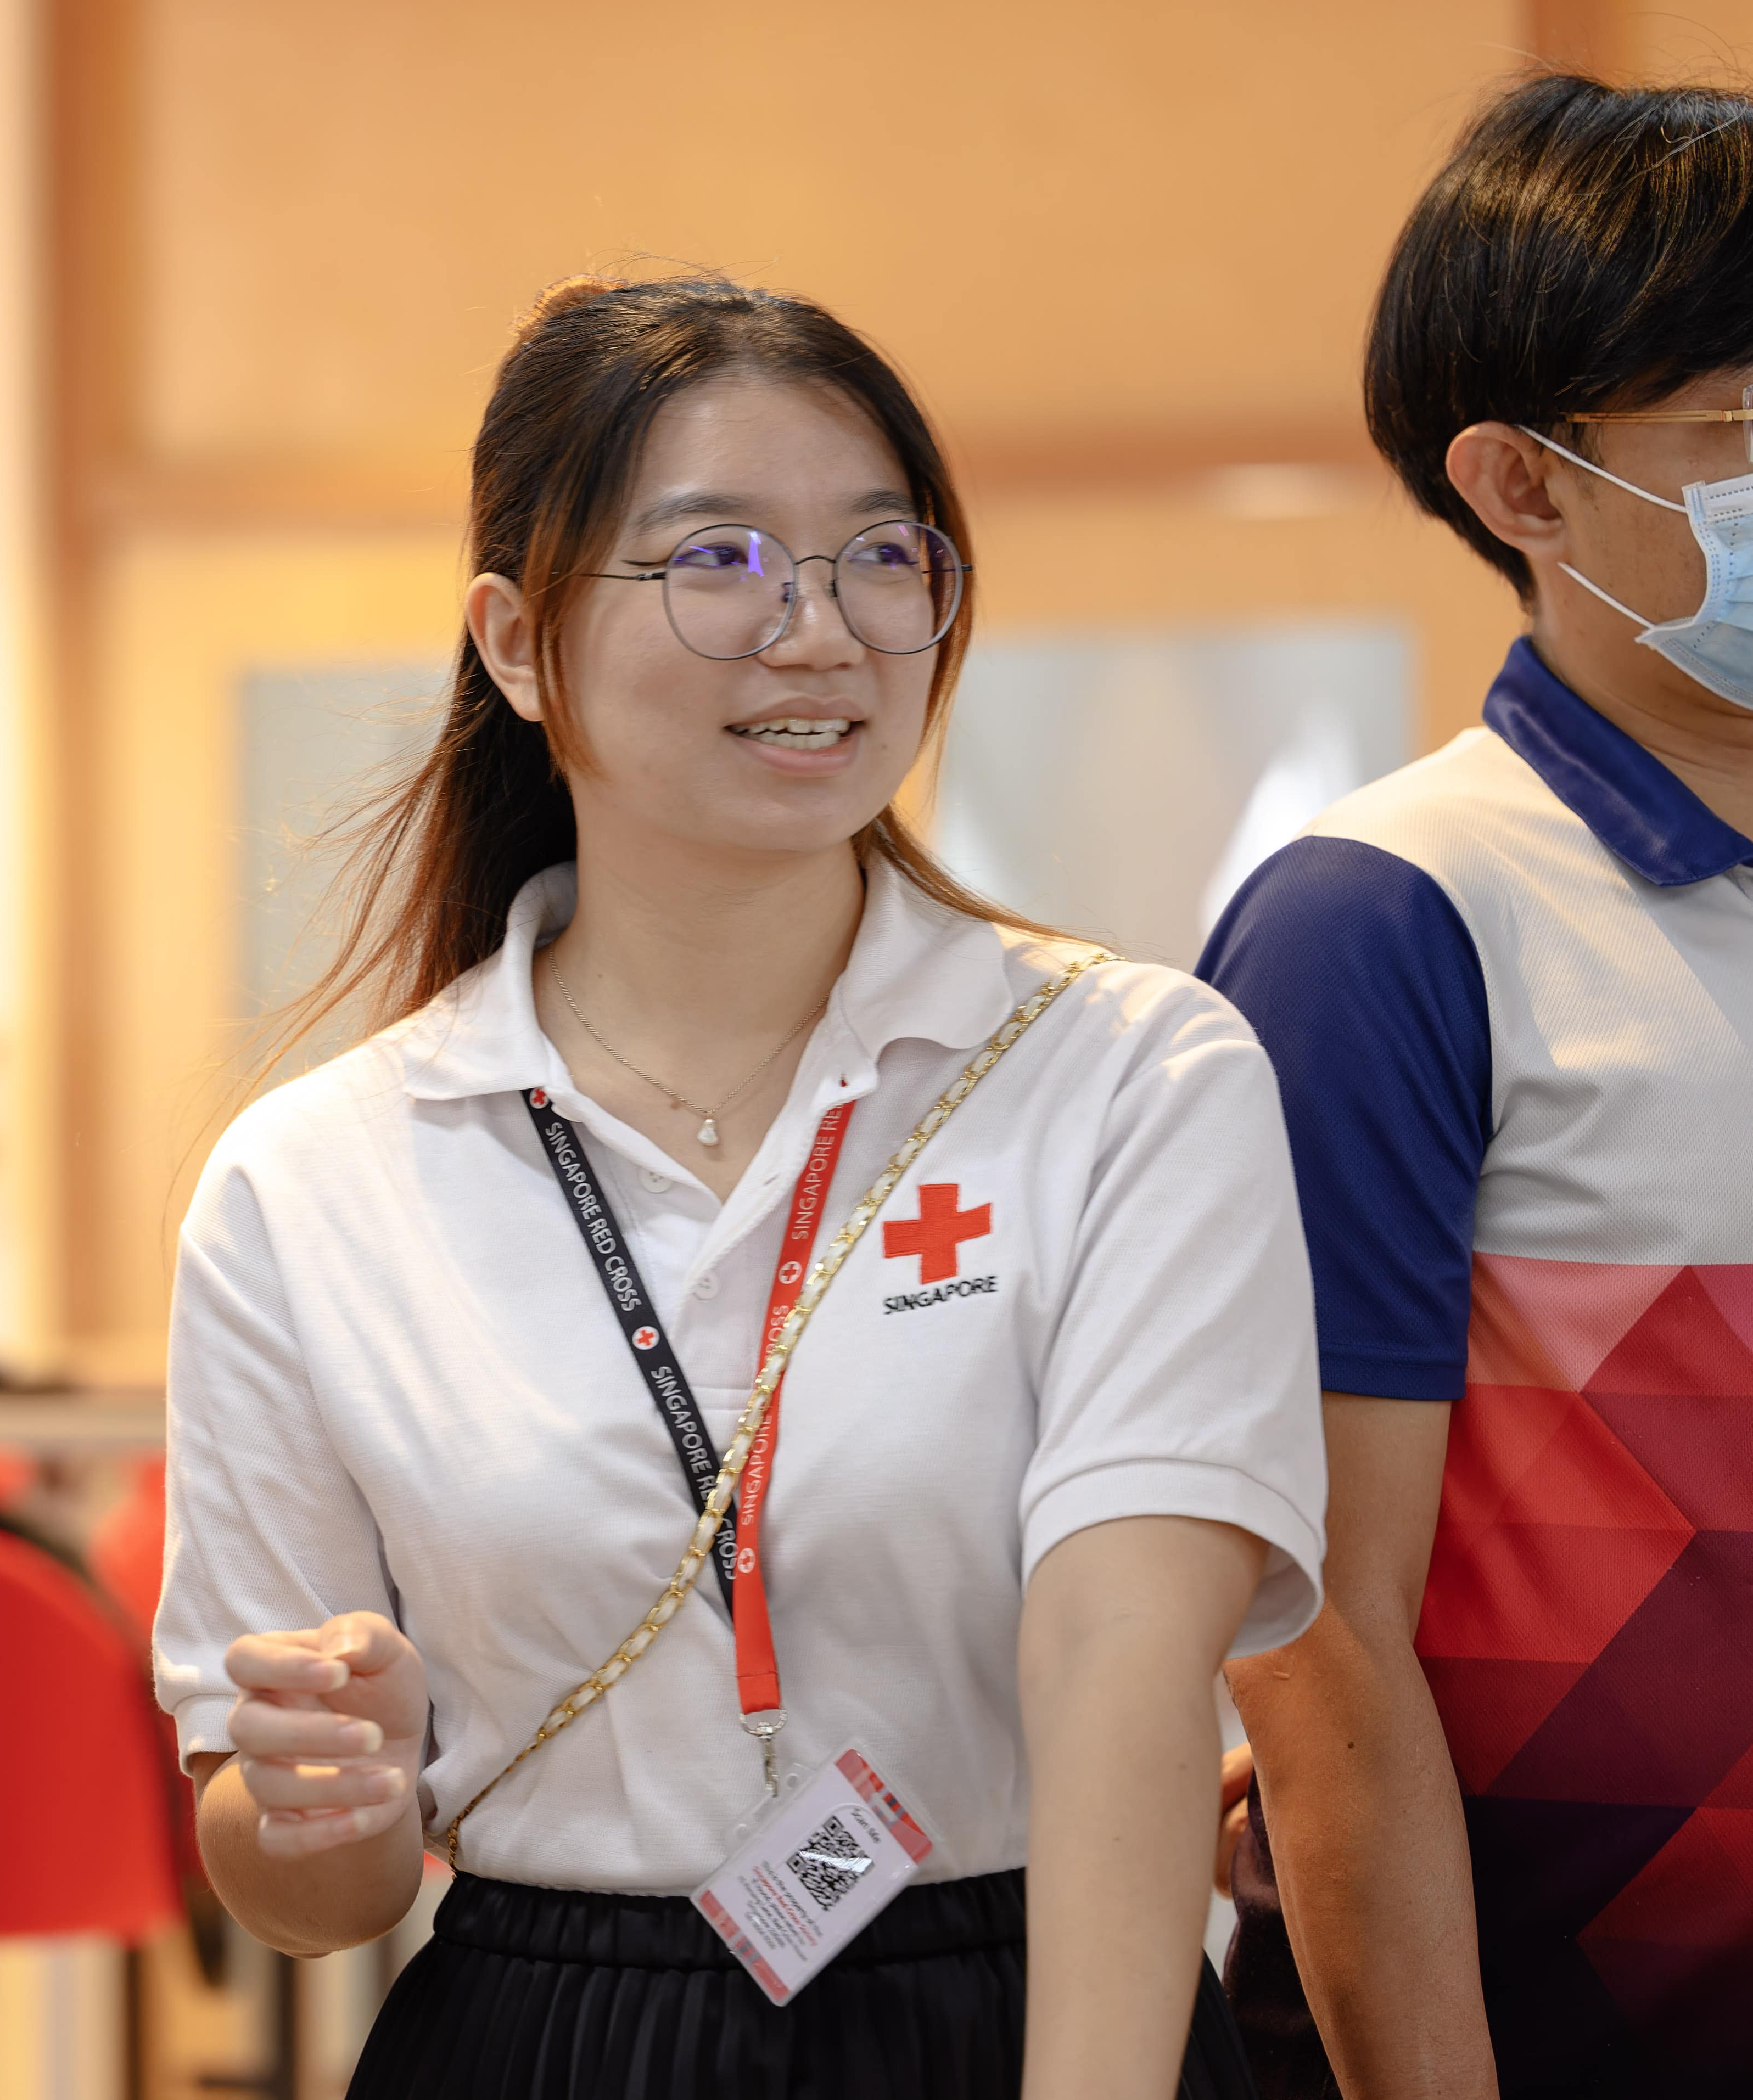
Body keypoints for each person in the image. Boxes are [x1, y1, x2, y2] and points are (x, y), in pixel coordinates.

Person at [153, 274, 1329, 2098]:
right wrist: (323, 1807)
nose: (820, 632)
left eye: (881, 555)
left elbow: (1123, 1650)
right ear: (518, 639)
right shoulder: (314, 1179)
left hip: (1030, 1998)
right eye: (717, 561)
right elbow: (289, 1879)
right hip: (540, 2026)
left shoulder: (1128, 1075)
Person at [1202, 74, 1753, 2099]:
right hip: (1558, 2023)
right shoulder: (1384, 918)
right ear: (1523, 489)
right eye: (1747, 423)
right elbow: (1320, 1631)